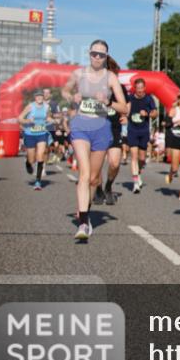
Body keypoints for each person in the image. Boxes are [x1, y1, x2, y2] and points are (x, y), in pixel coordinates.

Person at [62, 39, 128, 241]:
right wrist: (71, 97)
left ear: (106, 57)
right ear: (89, 54)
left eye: (101, 55)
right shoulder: (79, 74)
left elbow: (124, 108)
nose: (97, 58)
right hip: (81, 126)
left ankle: (85, 211)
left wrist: (107, 101)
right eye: (94, 54)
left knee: (93, 179)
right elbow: (65, 90)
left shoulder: (111, 78)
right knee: (84, 173)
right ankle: (83, 222)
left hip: (101, 129)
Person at [94, 56, 127, 206]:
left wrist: (125, 117)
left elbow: (125, 107)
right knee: (97, 165)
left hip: (114, 129)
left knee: (114, 163)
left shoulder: (120, 88)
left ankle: (108, 187)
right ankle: (99, 189)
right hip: (96, 129)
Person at [126, 78, 158, 192]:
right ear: (135, 88)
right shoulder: (130, 98)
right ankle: (135, 183)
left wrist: (148, 113)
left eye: (141, 88)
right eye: (137, 88)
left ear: (144, 88)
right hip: (132, 130)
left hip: (144, 131)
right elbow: (124, 108)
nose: (139, 91)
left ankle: (138, 173)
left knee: (142, 158)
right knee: (133, 156)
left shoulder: (149, 98)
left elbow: (155, 113)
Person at [17, 90, 51, 189]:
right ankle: (28, 162)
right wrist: (27, 120)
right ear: (35, 98)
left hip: (42, 133)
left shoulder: (47, 107)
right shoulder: (30, 106)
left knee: (40, 155)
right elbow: (20, 118)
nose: (39, 97)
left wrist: (51, 119)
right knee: (32, 159)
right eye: (37, 96)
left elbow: (48, 117)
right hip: (30, 134)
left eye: (41, 96)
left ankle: (38, 181)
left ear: (43, 97)